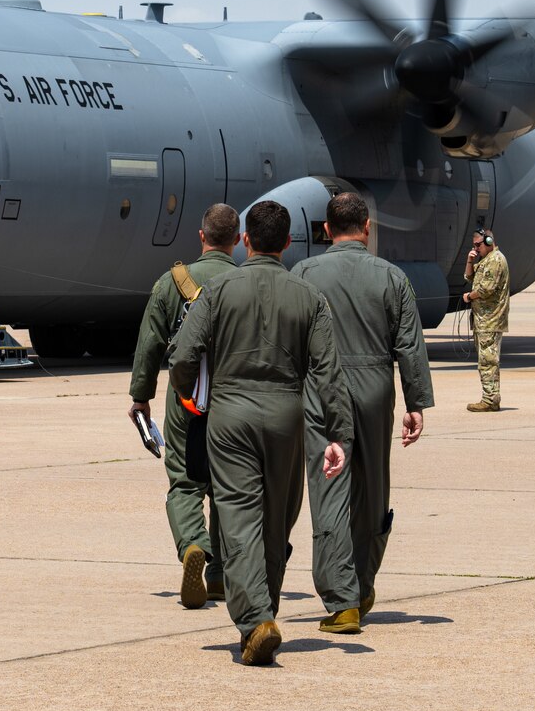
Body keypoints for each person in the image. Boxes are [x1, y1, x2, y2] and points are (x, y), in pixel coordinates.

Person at [168, 200, 351, 666]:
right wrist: (338, 435)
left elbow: (184, 356)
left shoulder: (218, 290)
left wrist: (193, 398)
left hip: (230, 415)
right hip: (288, 415)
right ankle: (261, 608)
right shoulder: (309, 297)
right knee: (278, 517)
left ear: (246, 240)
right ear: (288, 243)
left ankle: (256, 620)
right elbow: (328, 372)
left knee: (238, 517)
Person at [294, 192, 433, 635]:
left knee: (329, 490)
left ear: (327, 229)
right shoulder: (392, 277)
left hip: (322, 389)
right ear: (367, 228)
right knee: (372, 489)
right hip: (375, 387)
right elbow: (409, 344)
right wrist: (415, 403)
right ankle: (364, 583)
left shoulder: (304, 274)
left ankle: (341, 600)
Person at [128, 203, 240, 608]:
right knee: (230, 486)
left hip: (186, 397)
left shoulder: (172, 283)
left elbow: (150, 344)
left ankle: (193, 544)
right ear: (238, 240)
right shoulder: (244, 282)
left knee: (185, 481)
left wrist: (141, 397)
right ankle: (223, 575)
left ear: (201, 236)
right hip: (235, 398)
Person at [462, 229, 510, 412]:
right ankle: (491, 397)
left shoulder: (495, 260)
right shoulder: (485, 260)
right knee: (485, 360)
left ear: (489, 242)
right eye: (474, 245)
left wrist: (468, 297)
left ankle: (490, 400)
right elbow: (469, 277)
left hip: (490, 320)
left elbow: (485, 290)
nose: (476, 248)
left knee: (488, 361)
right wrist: (469, 260)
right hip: (483, 320)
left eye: (478, 245)